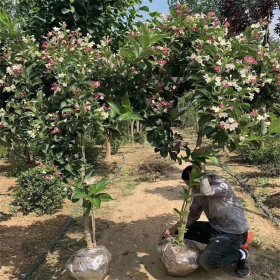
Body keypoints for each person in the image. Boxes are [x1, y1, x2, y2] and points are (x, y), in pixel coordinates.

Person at [163, 165, 250, 278]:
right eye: (188, 186)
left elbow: (207, 192)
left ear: (200, 178)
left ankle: (240, 255)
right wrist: (172, 230)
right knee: (182, 230)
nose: (191, 189)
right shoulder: (197, 191)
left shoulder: (221, 184)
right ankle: (216, 246)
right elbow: (192, 215)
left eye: (193, 185)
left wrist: (200, 164)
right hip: (215, 228)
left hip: (234, 233)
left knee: (206, 262)